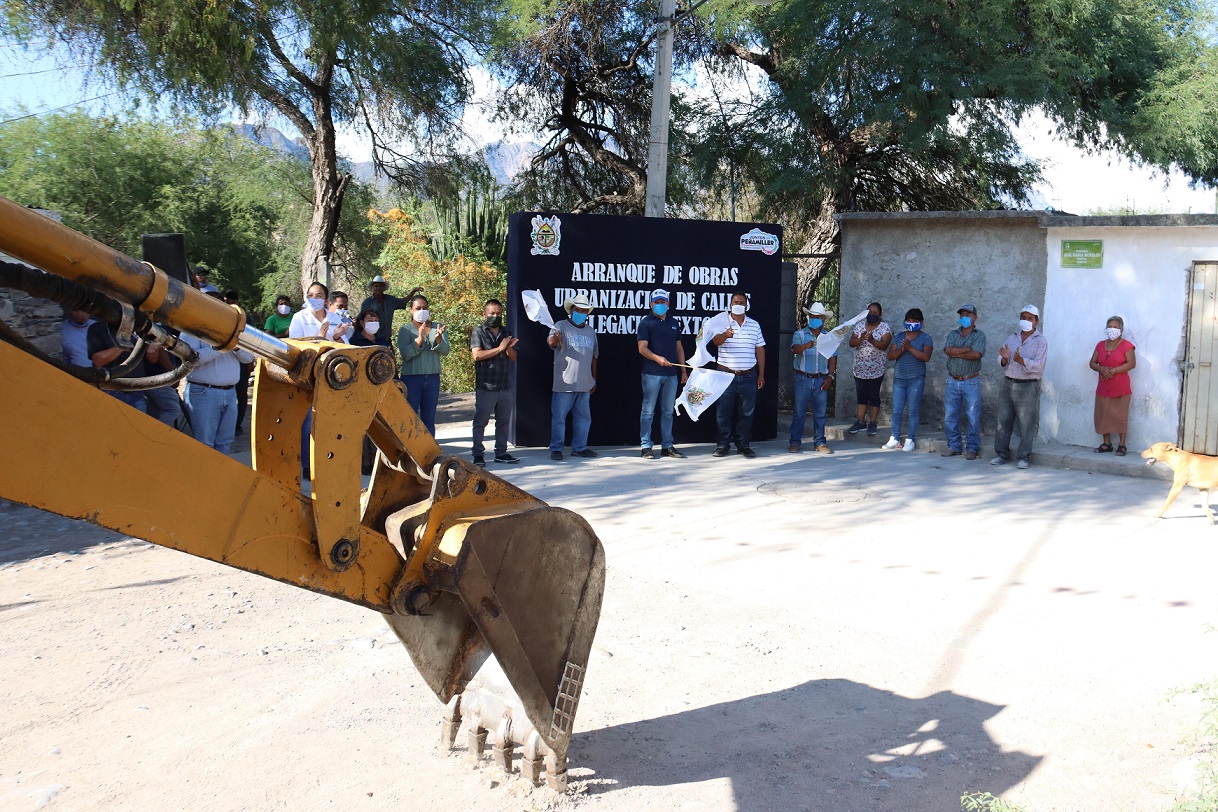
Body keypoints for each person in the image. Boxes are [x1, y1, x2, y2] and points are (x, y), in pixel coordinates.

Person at [180, 329, 255, 453]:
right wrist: (220, 348)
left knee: (225, 441)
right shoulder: (190, 329)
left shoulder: (231, 329)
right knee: (204, 443)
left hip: (230, 392)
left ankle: (221, 472)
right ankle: (205, 472)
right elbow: (191, 358)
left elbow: (248, 358)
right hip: (203, 391)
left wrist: (235, 347)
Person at [991, 305, 1048, 469]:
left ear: (1036, 322)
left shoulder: (1041, 341)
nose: (1026, 321)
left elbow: (1039, 366)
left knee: (1026, 423)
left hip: (1027, 386)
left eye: (1030, 318)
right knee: (1003, 420)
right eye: (1023, 317)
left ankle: (1024, 457)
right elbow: (1001, 361)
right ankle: (1002, 454)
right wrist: (1004, 358)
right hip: (1008, 383)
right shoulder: (1012, 337)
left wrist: (1022, 361)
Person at [711, 292, 766, 458]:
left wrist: (761, 374)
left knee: (747, 412)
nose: (738, 304)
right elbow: (715, 342)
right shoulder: (722, 323)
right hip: (726, 374)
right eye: (735, 302)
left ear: (746, 305)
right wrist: (725, 335)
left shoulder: (754, 325)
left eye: (742, 302)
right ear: (730, 305)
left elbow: (760, 349)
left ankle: (743, 444)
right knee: (723, 411)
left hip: (748, 375)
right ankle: (723, 444)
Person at [636, 289, 688, 459]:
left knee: (667, 411)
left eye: (663, 302)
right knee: (648, 411)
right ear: (651, 304)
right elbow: (642, 348)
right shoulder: (645, 323)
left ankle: (667, 445)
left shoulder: (674, 322)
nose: (660, 305)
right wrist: (657, 358)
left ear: (668, 303)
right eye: (656, 302)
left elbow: (679, 348)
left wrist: (683, 370)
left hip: (671, 375)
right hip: (652, 374)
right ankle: (646, 446)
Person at [548, 293, 599, 461]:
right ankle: (556, 448)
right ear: (571, 310)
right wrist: (555, 339)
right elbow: (550, 342)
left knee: (584, 419)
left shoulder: (591, 332)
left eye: (584, 310)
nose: (581, 312)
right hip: (565, 383)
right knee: (559, 419)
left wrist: (594, 378)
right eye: (578, 309)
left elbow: (594, 356)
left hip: (584, 383)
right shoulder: (560, 326)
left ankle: (580, 447)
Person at [470, 298, 520, 467]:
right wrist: (499, 348)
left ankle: (501, 452)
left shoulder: (506, 332)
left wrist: (508, 348)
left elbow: (513, 358)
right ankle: (478, 454)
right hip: (486, 386)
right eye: (492, 313)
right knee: (480, 422)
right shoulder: (478, 332)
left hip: (504, 386)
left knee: (503, 422)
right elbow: (477, 355)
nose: (495, 316)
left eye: (498, 313)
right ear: (485, 314)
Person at [397, 293, 450, 436]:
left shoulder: (437, 327)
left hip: (432, 378)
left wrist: (438, 339)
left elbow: (446, 351)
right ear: (411, 310)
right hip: (412, 379)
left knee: (428, 418)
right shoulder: (405, 330)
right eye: (418, 308)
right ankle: (410, 451)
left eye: (425, 308)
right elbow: (406, 354)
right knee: (410, 417)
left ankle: (430, 452)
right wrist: (419, 339)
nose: (422, 311)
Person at [788, 302, 837, 454]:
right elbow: (794, 349)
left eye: (817, 317)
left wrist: (830, 376)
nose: (814, 319)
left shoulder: (828, 336)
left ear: (823, 319)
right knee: (799, 412)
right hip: (802, 378)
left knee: (820, 414)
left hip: (821, 378)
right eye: (812, 316)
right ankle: (795, 442)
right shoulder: (800, 334)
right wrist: (805, 346)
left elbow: (833, 357)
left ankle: (820, 442)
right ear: (809, 317)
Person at [882, 308, 933, 451]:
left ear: (921, 323)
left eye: (915, 320)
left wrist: (910, 348)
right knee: (896, 410)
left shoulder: (926, 338)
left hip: (916, 379)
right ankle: (894, 437)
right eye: (909, 320)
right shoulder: (899, 337)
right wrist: (902, 349)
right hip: (899, 378)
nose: (911, 323)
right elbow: (891, 355)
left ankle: (910, 439)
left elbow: (926, 357)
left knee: (913, 410)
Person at [941, 303, 987, 460]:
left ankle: (972, 447)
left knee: (973, 415)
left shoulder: (979, 335)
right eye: (962, 315)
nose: (964, 317)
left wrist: (956, 352)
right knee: (950, 415)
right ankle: (954, 445)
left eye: (968, 315)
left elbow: (976, 355)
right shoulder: (953, 334)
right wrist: (966, 349)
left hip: (971, 380)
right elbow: (947, 350)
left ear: (975, 317)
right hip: (952, 380)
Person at [1089, 315, 1136, 456]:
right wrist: (1102, 369)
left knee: (1120, 416)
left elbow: (1131, 364)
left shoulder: (1126, 345)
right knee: (1103, 414)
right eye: (1110, 327)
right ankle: (1107, 443)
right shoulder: (1100, 345)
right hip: (1103, 386)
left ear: (1121, 330)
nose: (1112, 329)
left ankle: (1122, 445)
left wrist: (1114, 370)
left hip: (1121, 387)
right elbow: (1092, 362)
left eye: (1115, 327)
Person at [847, 301, 892, 436]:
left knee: (873, 396)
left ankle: (872, 422)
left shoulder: (885, 328)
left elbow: (884, 345)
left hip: (875, 369)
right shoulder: (860, 326)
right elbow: (851, 343)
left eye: (875, 313)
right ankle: (860, 421)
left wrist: (872, 340)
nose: (872, 315)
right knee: (861, 396)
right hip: (860, 368)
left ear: (880, 315)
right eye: (870, 312)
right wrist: (860, 339)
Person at [86, 320, 147, 412]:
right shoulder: (98, 329)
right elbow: (98, 361)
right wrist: (124, 344)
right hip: (110, 390)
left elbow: (152, 358)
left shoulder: (138, 328)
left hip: (136, 391)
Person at [222, 289, 253, 435]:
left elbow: (251, 341)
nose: (229, 305)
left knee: (241, 393)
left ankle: (237, 424)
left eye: (232, 302)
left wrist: (249, 362)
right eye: (226, 302)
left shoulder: (245, 318)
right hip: (226, 363)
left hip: (242, 360)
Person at [359, 276, 412, 346]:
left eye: (381, 286)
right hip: (372, 340)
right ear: (372, 288)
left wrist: (413, 292)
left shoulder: (390, 300)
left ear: (384, 288)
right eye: (376, 286)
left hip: (386, 339)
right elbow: (361, 319)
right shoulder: (367, 302)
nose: (378, 288)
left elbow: (403, 301)